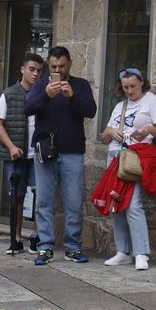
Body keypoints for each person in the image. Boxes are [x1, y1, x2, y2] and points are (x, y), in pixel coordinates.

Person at [23, 46, 98, 266]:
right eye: (54, 66)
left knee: (74, 202)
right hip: (45, 151)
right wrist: (46, 95)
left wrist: (72, 96)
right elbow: (28, 108)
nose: (58, 70)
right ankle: (45, 247)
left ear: (70, 64)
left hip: (73, 152)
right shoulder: (39, 85)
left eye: (61, 66)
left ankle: (72, 247)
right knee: (44, 201)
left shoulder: (81, 85)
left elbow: (91, 111)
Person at [97, 67, 156, 271]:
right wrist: (110, 131)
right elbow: (103, 137)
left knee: (133, 204)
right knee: (115, 205)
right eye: (125, 87)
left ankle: (141, 253)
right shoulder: (120, 105)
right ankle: (122, 251)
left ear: (142, 82)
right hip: (115, 158)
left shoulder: (152, 101)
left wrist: (148, 129)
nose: (129, 90)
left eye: (133, 86)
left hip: (134, 159)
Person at [0, 53, 46, 255]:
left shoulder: (44, 94)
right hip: (16, 155)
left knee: (41, 196)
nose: (35, 74)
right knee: (17, 196)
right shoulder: (9, 94)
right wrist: (12, 147)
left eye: (39, 71)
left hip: (39, 155)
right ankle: (15, 238)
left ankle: (36, 236)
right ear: (23, 69)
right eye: (32, 69)